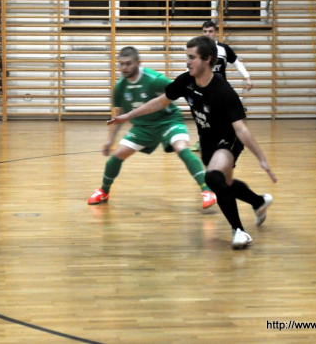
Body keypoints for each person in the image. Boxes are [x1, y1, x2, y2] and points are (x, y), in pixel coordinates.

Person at [108, 36, 276, 250]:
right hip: (207, 142)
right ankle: (258, 202)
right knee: (226, 185)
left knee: (213, 178)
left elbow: (241, 128)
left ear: (207, 59)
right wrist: (128, 116)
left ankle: (240, 232)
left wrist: (262, 159)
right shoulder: (186, 81)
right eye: (187, 57)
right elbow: (160, 101)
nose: (187, 62)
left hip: (228, 140)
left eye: (191, 57)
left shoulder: (223, 90)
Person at [88, 46, 217, 211]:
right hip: (143, 126)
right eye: (121, 64)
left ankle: (207, 190)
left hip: (168, 120)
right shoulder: (120, 87)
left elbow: (178, 88)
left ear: (138, 63)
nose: (124, 68)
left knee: (181, 148)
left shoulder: (153, 79)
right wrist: (109, 140)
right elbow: (120, 113)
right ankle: (104, 191)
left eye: (128, 64)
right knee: (117, 155)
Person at [192, 20, 253, 152]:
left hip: (221, 90)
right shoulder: (198, 51)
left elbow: (237, 63)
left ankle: (229, 139)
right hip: (203, 89)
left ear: (216, 33)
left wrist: (247, 77)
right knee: (203, 117)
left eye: (210, 31)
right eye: (205, 31)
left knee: (226, 116)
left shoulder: (223, 49)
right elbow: (191, 67)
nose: (207, 34)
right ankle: (202, 140)